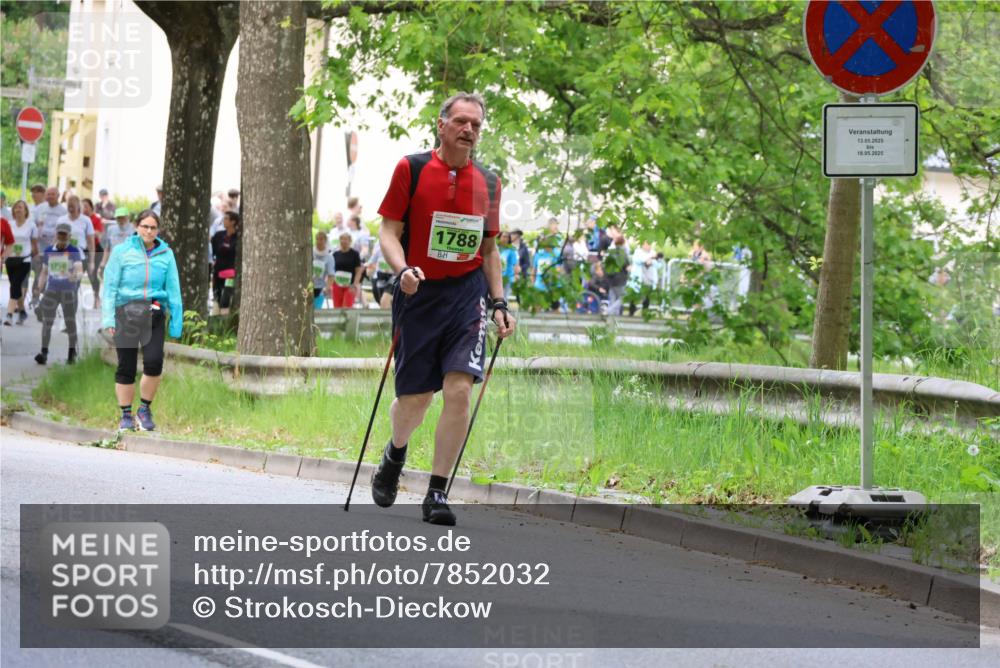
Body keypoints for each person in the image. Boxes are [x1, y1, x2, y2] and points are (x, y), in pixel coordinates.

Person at [371, 92, 515, 526]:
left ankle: (437, 491)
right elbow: (388, 232)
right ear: (442, 124)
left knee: (458, 390)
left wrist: (499, 302)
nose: (469, 130)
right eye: (461, 122)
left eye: (476, 124)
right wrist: (403, 270)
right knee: (414, 401)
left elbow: (489, 250)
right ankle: (395, 453)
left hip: (466, 296)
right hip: (419, 293)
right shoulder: (411, 168)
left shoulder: (489, 182)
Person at [101, 210, 182, 432]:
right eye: (144, 226)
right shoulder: (122, 251)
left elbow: (174, 289)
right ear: (137, 227)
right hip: (125, 313)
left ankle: (144, 409)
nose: (148, 231)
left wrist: (177, 322)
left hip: (154, 313)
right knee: (126, 366)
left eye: (153, 227)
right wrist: (108, 316)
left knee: (154, 362)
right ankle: (125, 415)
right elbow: (109, 287)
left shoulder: (166, 254)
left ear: (158, 230)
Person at [32, 223, 84, 365]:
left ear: (69, 236)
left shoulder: (74, 251)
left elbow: (79, 271)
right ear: (56, 234)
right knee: (47, 322)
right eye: (60, 234)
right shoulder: (49, 250)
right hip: (52, 290)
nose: (62, 237)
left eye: (64, 235)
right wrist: (38, 288)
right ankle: (44, 353)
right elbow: (44, 272)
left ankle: (71, 353)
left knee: (69, 321)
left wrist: (72, 275)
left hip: (68, 291)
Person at [4, 201, 39, 326]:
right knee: (16, 286)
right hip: (11, 259)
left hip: (24, 259)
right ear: (13, 211)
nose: (18, 210)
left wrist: (36, 256)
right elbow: (5, 242)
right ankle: (22, 311)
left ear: (25, 211)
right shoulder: (9, 224)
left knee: (15, 285)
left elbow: (34, 244)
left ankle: (9, 314)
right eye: (16, 208)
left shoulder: (31, 226)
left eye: (20, 208)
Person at [210, 211, 239, 315]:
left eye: (226, 218)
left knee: (226, 297)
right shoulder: (218, 235)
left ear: (233, 222)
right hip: (218, 271)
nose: (224, 220)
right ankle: (215, 318)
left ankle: (225, 318)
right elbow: (214, 250)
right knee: (216, 296)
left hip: (230, 273)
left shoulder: (237, 238)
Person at [331, 231, 363, 308]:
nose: (344, 241)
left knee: (346, 308)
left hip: (350, 286)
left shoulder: (355, 254)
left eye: (346, 239)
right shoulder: (335, 254)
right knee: (337, 308)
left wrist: (355, 285)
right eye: (342, 239)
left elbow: (358, 271)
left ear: (350, 241)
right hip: (337, 285)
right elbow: (331, 271)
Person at [100, 207, 135, 276]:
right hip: (114, 261)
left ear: (127, 217)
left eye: (123, 217)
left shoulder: (133, 229)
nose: (121, 220)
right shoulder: (111, 229)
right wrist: (103, 262)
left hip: (128, 261)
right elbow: (107, 248)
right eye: (118, 218)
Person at [364, 240, 395, 309]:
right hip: (380, 278)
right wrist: (369, 268)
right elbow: (371, 263)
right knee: (382, 303)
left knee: (385, 302)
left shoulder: (400, 246)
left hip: (394, 278)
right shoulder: (379, 247)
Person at [311, 231, 336, 309]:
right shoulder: (310, 252)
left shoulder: (329, 257)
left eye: (321, 239)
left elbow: (331, 275)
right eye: (317, 239)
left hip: (320, 287)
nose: (319, 241)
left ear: (325, 241)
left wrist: (327, 287)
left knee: (316, 311)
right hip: (308, 287)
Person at [498, 231, 518, 300]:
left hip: (507, 277)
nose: (505, 238)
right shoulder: (495, 249)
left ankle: (503, 309)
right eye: (503, 236)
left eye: (507, 237)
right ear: (499, 237)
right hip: (496, 276)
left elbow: (515, 264)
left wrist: (516, 275)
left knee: (504, 296)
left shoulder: (511, 250)